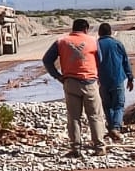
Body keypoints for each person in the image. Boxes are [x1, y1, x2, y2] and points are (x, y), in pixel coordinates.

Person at [42, 18, 108, 158]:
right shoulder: (93, 41)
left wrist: (58, 76)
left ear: (73, 28)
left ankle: (76, 148)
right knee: (95, 116)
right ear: (86, 29)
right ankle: (99, 147)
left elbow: (47, 60)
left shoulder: (62, 41)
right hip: (90, 82)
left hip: (70, 82)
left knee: (74, 117)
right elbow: (100, 60)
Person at [97, 22, 135, 142]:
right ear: (110, 32)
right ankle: (116, 127)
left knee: (107, 105)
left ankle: (111, 127)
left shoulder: (96, 45)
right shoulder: (117, 44)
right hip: (117, 79)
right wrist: (130, 78)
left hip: (102, 80)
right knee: (118, 105)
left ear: (99, 33)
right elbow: (125, 61)